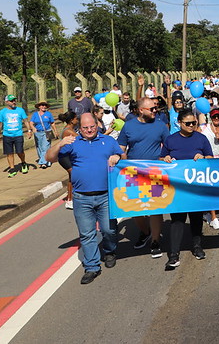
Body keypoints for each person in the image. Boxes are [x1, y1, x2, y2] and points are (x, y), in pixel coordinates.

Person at [46, 113, 124, 284]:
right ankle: (92, 267)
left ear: (97, 125)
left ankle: (110, 250)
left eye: (92, 127)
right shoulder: (72, 143)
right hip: (82, 198)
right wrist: (59, 144)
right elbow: (49, 158)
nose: (89, 130)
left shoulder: (108, 141)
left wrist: (117, 157)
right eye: (85, 128)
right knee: (87, 234)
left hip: (105, 196)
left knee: (109, 230)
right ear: (79, 129)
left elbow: (123, 156)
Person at [117, 96, 170, 257]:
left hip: (154, 172)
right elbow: (121, 148)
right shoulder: (128, 126)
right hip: (133, 173)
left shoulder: (160, 125)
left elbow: (168, 146)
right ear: (141, 110)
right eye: (152, 109)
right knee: (135, 208)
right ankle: (145, 232)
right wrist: (120, 160)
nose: (155, 111)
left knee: (154, 208)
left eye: (156, 108)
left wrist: (166, 157)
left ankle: (155, 241)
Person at [161, 109, 213, 269]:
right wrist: (166, 158)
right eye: (188, 123)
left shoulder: (201, 139)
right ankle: (174, 254)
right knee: (177, 220)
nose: (191, 125)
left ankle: (197, 247)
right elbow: (161, 158)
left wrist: (203, 158)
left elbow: (211, 158)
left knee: (196, 218)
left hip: (196, 186)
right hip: (177, 188)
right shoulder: (171, 140)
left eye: (194, 123)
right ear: (179, 123)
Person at [0, 95, 34, 177]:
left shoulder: (20, 110)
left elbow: (26, 121)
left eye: (14, 100)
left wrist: (29, 130)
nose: (14, 102)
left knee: (19, 151)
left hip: (18, 134)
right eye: (11, 101)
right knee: (9, 153)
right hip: (7, 135)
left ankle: (23, 163)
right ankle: (12, 168)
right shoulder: (2, 112)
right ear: (6, 102)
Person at [31, 101, 57, 169]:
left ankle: (43, 162)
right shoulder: (35, 114)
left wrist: (55, 131)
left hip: (47, 132)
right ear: (39, 107)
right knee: (39, 147)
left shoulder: (49, 114)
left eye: (45, 105)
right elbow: (31, 122)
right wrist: (33, 128)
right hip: (38, 132)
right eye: (42, 105)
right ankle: (46, 160)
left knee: (45, 147)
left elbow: (52, 123)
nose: (43, 106)